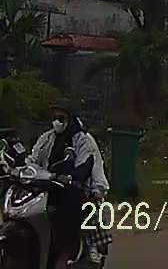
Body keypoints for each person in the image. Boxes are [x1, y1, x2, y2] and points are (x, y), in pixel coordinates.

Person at [29, 102, 111, 265]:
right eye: (54, 117)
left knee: (84, 208)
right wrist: (28, 170)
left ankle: (88, 246)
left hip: (75, 186)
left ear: (69, 118)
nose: (57, 121)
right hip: (48, 185)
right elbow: (33, 159)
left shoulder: (83, 140)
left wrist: (95, 187)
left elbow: (90, 164)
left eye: (61, 117)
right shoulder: (46, 138)